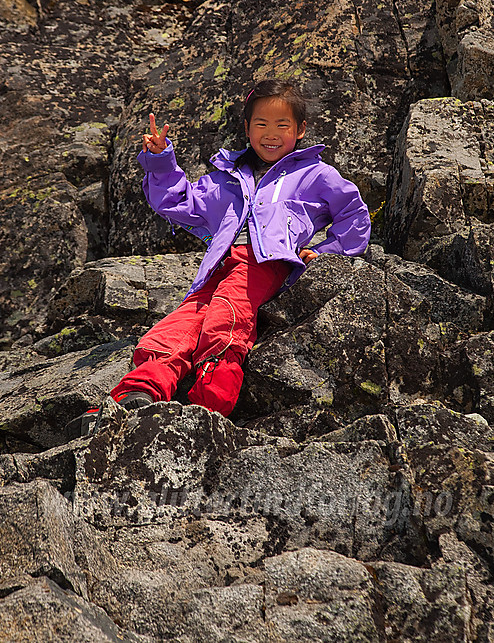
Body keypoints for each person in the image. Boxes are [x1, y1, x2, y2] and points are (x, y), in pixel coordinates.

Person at [69, 79, 371, 436]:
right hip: (216, 267)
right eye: (261, 124)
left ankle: (207, 406)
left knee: (226, 318)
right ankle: (133, 395)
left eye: (282, 126)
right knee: (173, 329)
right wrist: (161, 159)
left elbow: (354, 213)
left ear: (301, 130)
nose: (270, 134)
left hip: (262, 264)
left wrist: (324, 253)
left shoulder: (316, 174)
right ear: (246, 128)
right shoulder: (224, 179)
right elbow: (176, 201)